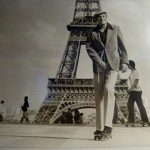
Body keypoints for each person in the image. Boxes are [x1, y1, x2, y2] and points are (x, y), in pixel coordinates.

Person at [86, 11, 128, 140]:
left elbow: (122, 47)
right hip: (99, 66)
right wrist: (99, 61)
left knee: (109, 89)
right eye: (99, 17)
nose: (101, 19)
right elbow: (89, 48)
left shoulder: (115, 29)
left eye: (103, 16)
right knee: (98, 97)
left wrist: (125, 62)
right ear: (96, 20)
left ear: (106, 17)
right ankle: (99, 129)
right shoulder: (92, 33)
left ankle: (108, 127)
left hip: (114, 65)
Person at [127, 60, 149, 126]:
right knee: (130, 105)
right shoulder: (131, 72)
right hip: (133, 91)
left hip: (137, 91)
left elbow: (136, 82)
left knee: (140, 106)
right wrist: (130, 89)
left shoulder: (136, 72)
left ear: (131, 65)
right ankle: (131, 121)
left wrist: (130, 89)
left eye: (128, 65)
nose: (128, 66)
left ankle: (145, 120)